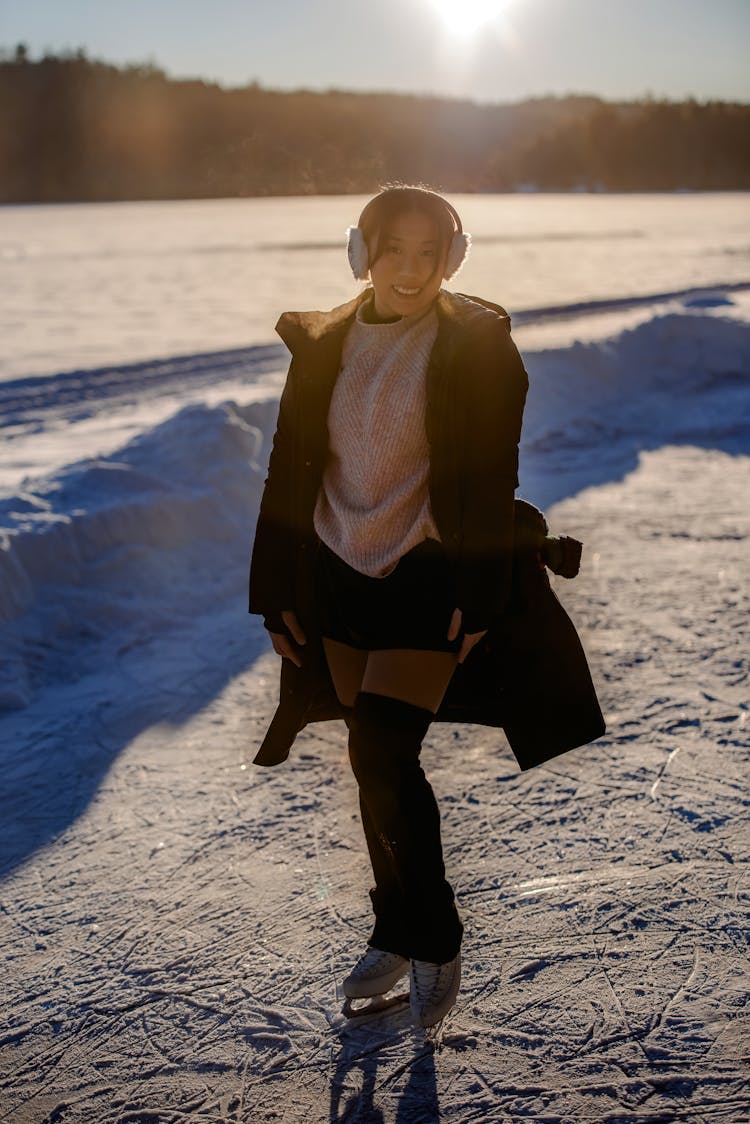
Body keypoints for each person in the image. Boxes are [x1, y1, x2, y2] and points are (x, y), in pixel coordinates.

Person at [249, 185, 538, 1027]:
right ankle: (395, 928)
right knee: (365, 761)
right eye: (393, 250)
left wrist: (482, 591)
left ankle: (433, 935)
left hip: (425, 573)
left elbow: (493, 478)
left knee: (383, 753)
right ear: (361, 252)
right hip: (337, 570)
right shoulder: (323, 345)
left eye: (430, 252)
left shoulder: (479, 348)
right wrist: (275, 593)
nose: (411, 270)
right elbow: (285, 469)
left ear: (454, 256)